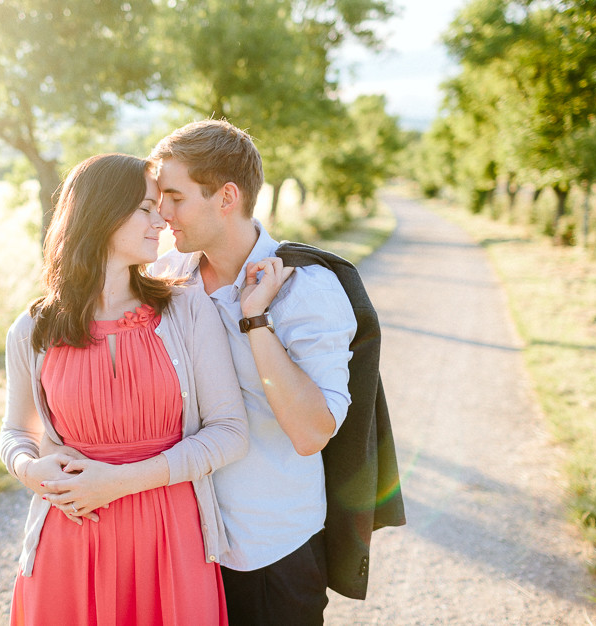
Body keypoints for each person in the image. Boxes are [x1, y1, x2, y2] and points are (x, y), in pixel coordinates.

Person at [0, 152, 249, 625]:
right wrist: (32, 471)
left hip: (169, 537)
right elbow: (16, 431)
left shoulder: (187, 310)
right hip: (70, 537)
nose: (162, 221)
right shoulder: (33, 328)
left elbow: (231, 431)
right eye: (145, 208)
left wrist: (117, 483)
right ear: (101, 214)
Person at [148, 120, 358, 625]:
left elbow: (311, 433)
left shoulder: (306, 289)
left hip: (271, 550)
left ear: (226, 196)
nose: (162, 212)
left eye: (174, 197)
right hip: (184, 544)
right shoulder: (166, 277)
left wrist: (255, 320)